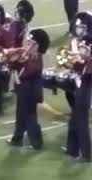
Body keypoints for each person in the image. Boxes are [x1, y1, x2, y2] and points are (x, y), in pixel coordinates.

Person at [6, 29, 50, 150]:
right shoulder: (27, 55)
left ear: (38, 45)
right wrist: (14, 60)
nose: (28, 45)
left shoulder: (36, 57)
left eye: (32, 43)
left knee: (30, 116)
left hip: (30, 89)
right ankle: (17, 138)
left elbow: (27, 73)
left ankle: (36, 142)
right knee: (20, 114)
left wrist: (21, 60)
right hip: (23, 88)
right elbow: (10, 60)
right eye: (28, 42)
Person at [63, 29, 92, 162]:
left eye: (83, 49)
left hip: (84, 94)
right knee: (73, 122)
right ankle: (72, 149)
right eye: (80, 48)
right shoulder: (82, 61)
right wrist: (69, 61)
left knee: (81, 123)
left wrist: (77, 60)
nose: (80, 51)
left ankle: (85, 154)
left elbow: (84, 70)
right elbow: (71, 66)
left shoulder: (89, 64)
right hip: (79, 92)